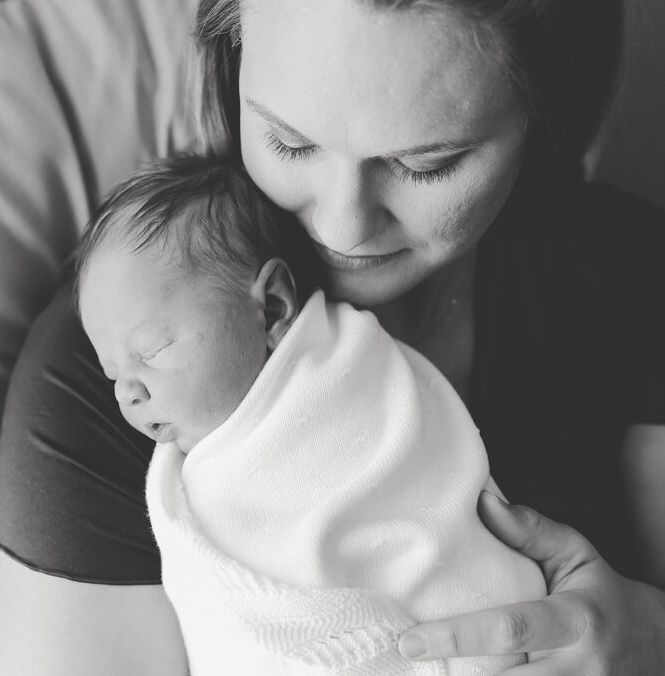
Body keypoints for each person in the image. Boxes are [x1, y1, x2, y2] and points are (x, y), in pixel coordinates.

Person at [0, 0, 665, 673]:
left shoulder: (624, 273)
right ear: (232, 67)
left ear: (542, 117)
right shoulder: (130, 364)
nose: (342, 225)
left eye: (425, 163)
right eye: (290, 142)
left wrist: (654, 636)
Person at [73, 153, 547, 675]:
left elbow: (422, 503)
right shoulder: (180, 460)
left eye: (151, 351)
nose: (128, 394)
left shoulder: (350, 374)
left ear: (272, 308)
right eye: (112, 374)